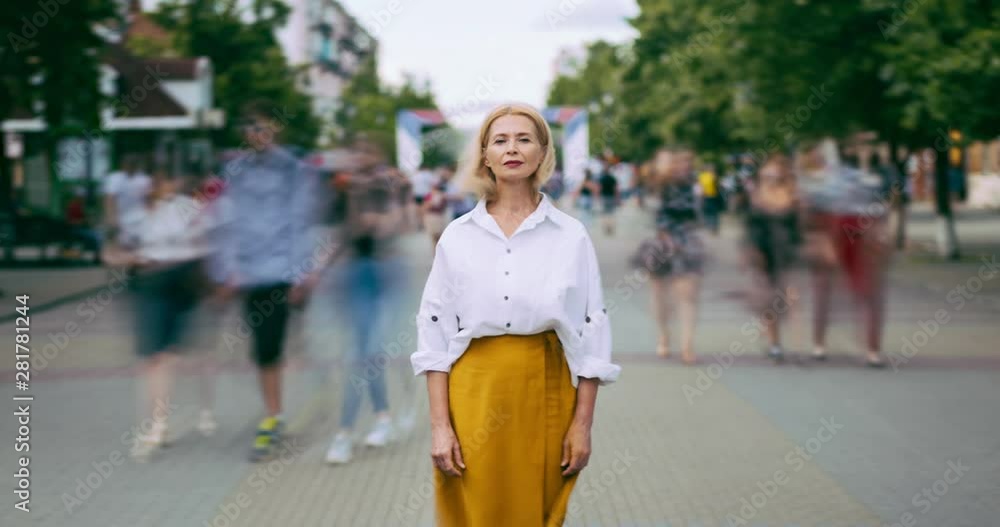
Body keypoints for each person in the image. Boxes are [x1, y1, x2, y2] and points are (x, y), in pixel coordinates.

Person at [411, 104, 621, 526]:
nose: (512, 148)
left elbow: (592, 330)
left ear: (543, 152)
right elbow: (434, 334)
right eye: (500, 140)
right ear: (484, 154)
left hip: (545, 389)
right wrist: (439, 427)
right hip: (473, 391)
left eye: (524, 139)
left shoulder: (570, 236)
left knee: (539, 514)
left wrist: (583, 426)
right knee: (473, 512)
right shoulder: (458, 236)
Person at [211, 99, 320, 461]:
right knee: (262, 350)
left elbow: (300, 221)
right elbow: (227, 222)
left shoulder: (293, 169)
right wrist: (226, 271)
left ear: (275, 128)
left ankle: (273, 417)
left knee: (269, 347)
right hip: (248, 273)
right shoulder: (235, 170)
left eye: (261, 127)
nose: (255, 134)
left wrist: (301, 273)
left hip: (279, 271)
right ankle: (275, 412)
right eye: (249, 127)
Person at [103, 171, 216, 459]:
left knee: (171, 356)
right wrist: (129, 257)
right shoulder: (134, 217)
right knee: (155, 359)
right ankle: (158, 422)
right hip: (150, 282)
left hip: (183, 280)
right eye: (152, 183)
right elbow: (112, 253)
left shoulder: (185, 208)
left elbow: (208, 241)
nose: (158, 186)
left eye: (163, 180)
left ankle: (190, 412)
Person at [313, 139, 409, 464]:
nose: (360, 158)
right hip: (357, 276)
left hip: (387, 274)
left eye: (367, 152)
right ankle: (382, 417)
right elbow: (341, 236)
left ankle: (345, 433)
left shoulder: (387, 184)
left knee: (365, 353)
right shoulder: (346, 191)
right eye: (356, 152)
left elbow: (401, 221)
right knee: (364, 353)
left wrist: (379, 221)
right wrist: (315, 273)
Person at [799, 140, 891, 367]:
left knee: (866, 292)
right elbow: (813, 211)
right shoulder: (828, 178)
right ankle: (822, 344)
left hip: (859, 231)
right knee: (828, 291)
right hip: (837, 229)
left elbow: (882, 208)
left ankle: (869, 348)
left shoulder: (875, 175)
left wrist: (881, 234)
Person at [632, 147, 704, 365]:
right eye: (674, 163)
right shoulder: (653, 187)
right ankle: (664, 334)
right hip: (659, 244)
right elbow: (651, 214)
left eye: (685, 164)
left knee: (688, 295)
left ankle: (687, 345)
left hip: (686, 242)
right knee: (660, 296)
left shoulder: (692, 186)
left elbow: (697, 215)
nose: (680, 167)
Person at [742, 155, 803, 362]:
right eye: (767, 173)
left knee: (790, 298)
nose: (770, 176)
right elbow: (750, 227)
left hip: (788, 253)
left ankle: (797, 342)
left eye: (775, 172)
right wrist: (749, 251)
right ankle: (775, 343)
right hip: (764, 253)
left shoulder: (793, 196)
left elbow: (799, 227)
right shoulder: (756, 196)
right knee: (769, 300)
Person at [102, 155, 152, 244]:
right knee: (122, 244)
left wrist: (150, 216)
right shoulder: (114, 178)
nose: (130, 167)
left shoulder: (144, 179)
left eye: (133, 165)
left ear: (136, 166)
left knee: (140, 245)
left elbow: (148, 199)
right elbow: (110, 199)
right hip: (121, 218)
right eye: (128, 164)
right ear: (123, 165)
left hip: (140, 218)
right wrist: (111, 218)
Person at [698, 165, 725, 235]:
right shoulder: (704, 176)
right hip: (707, 196)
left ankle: (714, 227)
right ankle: (711, 227)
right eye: (711, 169)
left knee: (713, 212)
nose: (711, 170)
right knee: (709, 212)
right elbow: (701, 187)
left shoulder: (713, 176)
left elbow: (719, 186)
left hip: (713, 196)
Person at [598, 163, 620, 235]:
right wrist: (617, 198)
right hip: (611, 197)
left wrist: (598, 197)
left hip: (604, 197)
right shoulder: (613, 178)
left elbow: (599, 189)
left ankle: (605, 228)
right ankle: (610, 228)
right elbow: (616, 189)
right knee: (611, 213)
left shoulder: (602, 178)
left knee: (605, 213)